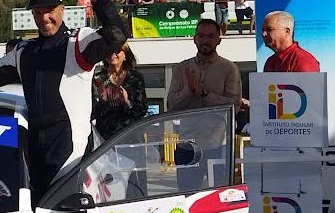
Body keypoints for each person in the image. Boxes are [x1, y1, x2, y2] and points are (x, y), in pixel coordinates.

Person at [0, 0, 126, 198]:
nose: (44, 18)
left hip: (73, 154)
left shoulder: (78, 42)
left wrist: (98, 0)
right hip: (35, 153)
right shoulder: (24, 51)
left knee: (65, 210)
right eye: (38, 13)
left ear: (62, 10)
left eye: (50, 11)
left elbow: (117, 36)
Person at [167, 19, 244, 190]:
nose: (205, 40)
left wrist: (206, 95)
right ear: (194, 39)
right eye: (201, 36)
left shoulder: (229, 69)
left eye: (210, 36)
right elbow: (170, 105)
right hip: (187, 145)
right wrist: (188, 92)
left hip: (218, 146)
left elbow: (235, 105)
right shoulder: (181, 68)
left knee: (220, 196)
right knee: (186, 198)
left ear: (218, 40)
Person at [92, 44, 148, 141]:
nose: (112, 54)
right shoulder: (98, 78)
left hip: (130, 135)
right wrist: (102, 101)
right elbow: (91, 112)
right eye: (109, 51)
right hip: (105, 139)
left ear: (125, 55)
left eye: (117, 51)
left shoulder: (135, 78)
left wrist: (127, 102)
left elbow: (142, 110)